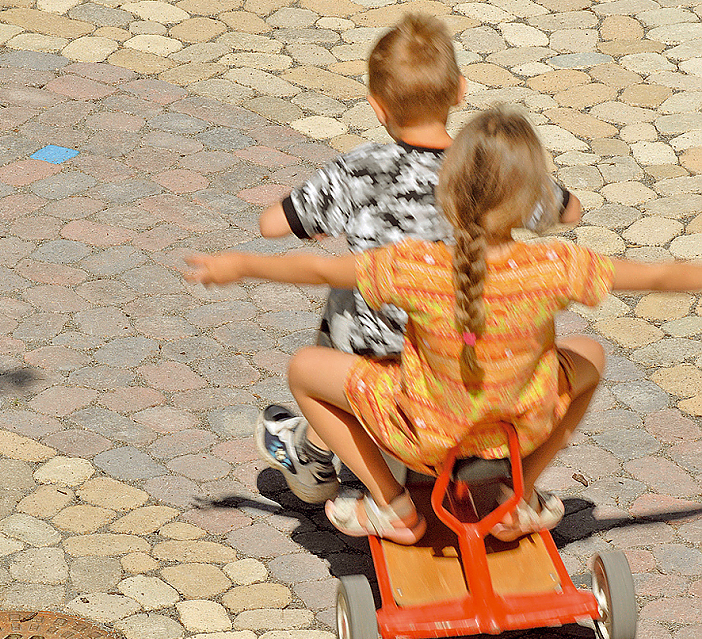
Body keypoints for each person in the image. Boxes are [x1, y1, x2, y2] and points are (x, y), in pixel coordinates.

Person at [186, 105, 702, 544]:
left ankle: (391, 505)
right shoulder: (556, 266)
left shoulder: (417, 266)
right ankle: (519, 497)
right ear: (530, 202)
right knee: (593, 354)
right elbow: (657, 274)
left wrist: (242, 265)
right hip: (519, 434)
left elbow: (321, 269)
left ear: (448, 192)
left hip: (427, 436)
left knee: (304, 368)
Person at [253, 13, 582, 505]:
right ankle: (517, 484)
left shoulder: (361, 169)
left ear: (376, 104)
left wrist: (331, 214)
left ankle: (318, 454)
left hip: (389, 361)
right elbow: (570, 212)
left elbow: (271, 225)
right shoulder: (490, 168)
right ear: (460, 92)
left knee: (351, 291)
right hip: (471, 349)